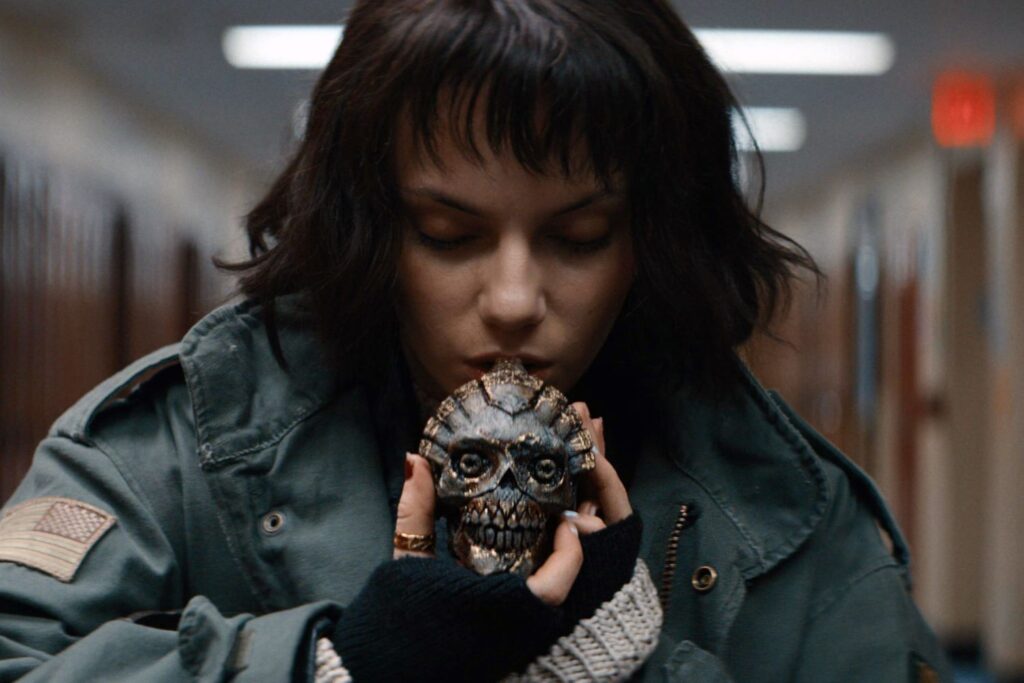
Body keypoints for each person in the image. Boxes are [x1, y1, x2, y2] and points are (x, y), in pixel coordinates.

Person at [0, 0, 952, 681]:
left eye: (580, 236)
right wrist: (336, 663)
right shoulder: (181, 450)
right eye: (448, 234)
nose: (512, 300)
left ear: (651, 240)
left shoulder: (787, 516)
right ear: (371, 229)